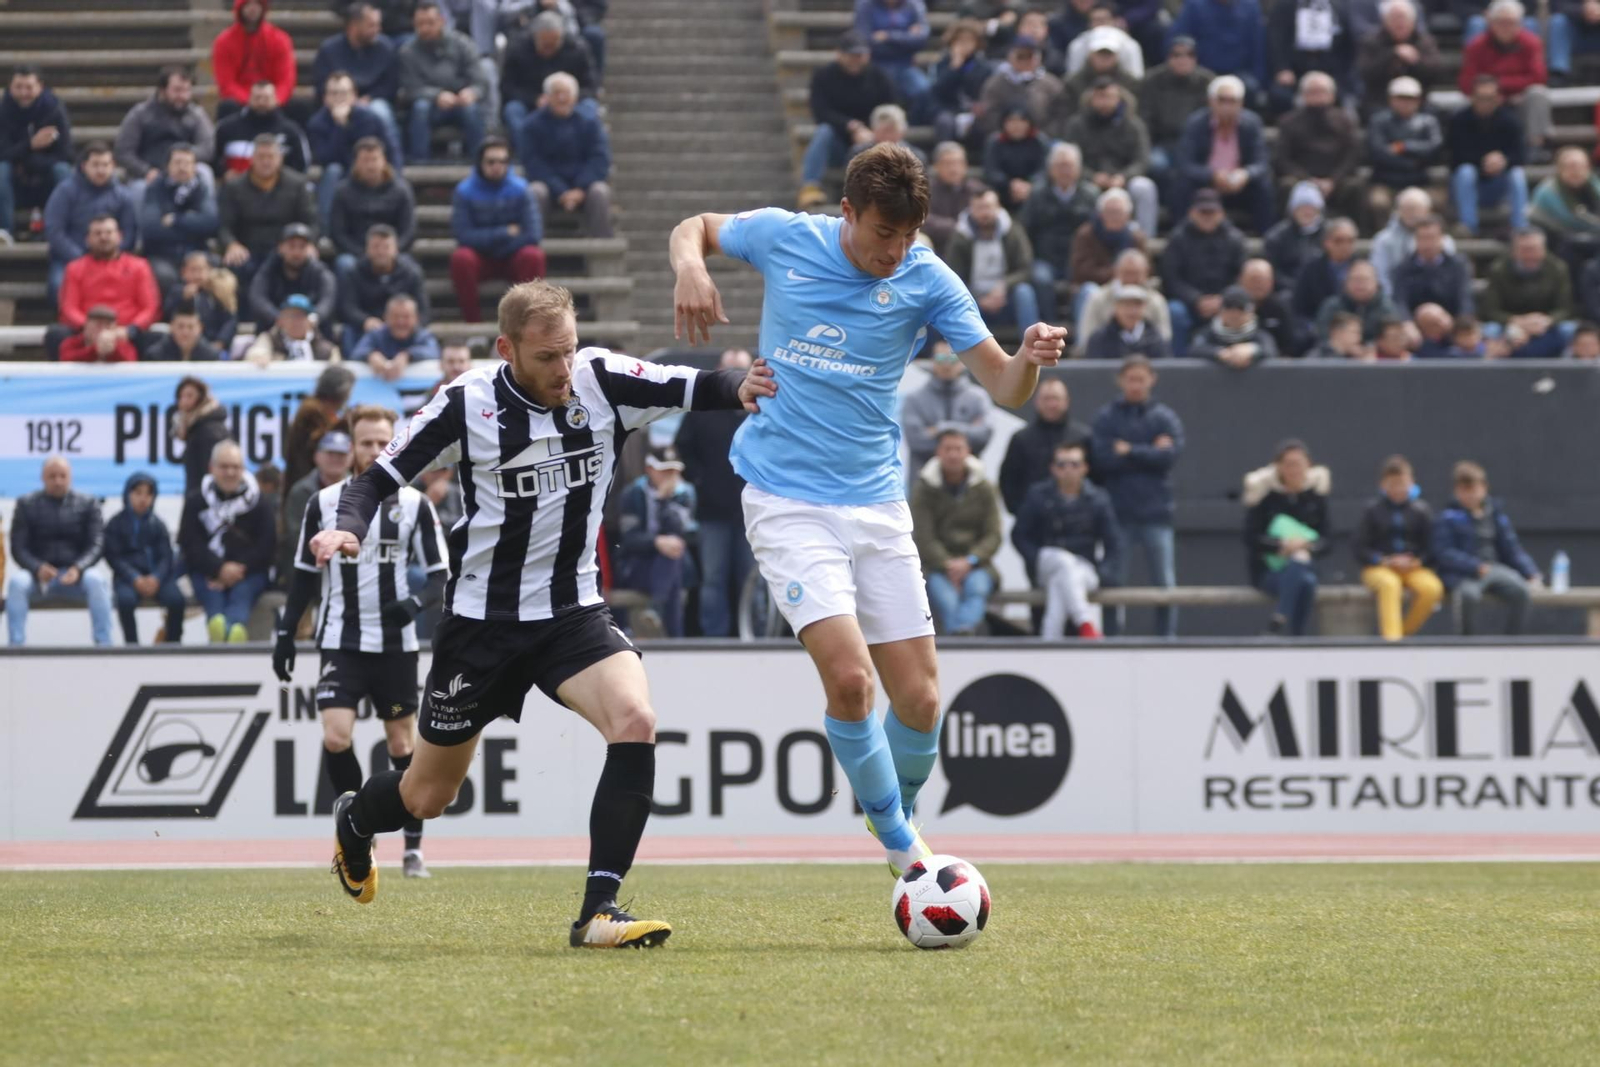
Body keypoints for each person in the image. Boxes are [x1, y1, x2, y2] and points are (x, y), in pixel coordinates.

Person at [314, 282, 772, 946]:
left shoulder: (601, 380)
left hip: (571, 614)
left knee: (635, 719)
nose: (565, 369)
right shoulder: (466, 404)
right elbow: (377, 478)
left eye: (570, 350)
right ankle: (356, 822)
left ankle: (597, 910)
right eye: (548, 356)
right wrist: (348, 527)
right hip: (480, 625)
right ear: (507, 349)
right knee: (425, 796)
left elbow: (692, 386)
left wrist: (743, 385)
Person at [669, 144, 1066, 872]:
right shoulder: (788, 236)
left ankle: (895, 812)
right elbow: (694, 226)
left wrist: (1030, 358)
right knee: (851, 682)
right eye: (884, 233)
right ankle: (906, 852)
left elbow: (1005, 387)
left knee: (919, 702)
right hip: (787, 501)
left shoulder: (926, 277)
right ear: (847, 213)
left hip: (879, 504)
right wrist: (691, 265)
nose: (896, 250)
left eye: (908, 235)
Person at [275, 406, 446, 879]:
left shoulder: (415, 505)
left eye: (382, 443)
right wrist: (286, 634)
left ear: (394, 444)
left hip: (395, 648)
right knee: (336, 735)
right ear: (351, 446)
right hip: (341, 641)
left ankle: (413, 848)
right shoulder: (324, 503)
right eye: (366, 443)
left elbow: (439, 580)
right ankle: (357, 833)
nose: (374, 451)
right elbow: (304, 578)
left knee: (400, 742)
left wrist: (411, 607)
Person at [1091, 355, 1182, 637]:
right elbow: (1103, 458)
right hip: (1119, 514)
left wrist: (1129, 450)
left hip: (1157, 514)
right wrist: (1149, 451)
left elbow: (1170, 456)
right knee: (1112, 582)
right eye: (1131, 379)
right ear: (1121, 381)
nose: (1136, 385)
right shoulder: (1106, 417)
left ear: (1151, 380)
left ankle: (1167, 642)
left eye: (1141, 379)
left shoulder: (1165, 417)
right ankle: (1111, 640)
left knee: (1165, 584)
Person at [674, 348, 756, 638]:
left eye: (742, 371)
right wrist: (700, 479)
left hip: (754, 513)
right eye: (729, 371)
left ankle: (756, 636)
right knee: (713, 580)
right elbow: (682, 447)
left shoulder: (760, 410)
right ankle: (714, 639)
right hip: (712, 511)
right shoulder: (703, 409)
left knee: (753, 581)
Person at [1010, 440, 1118, 639]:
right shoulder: (1038, 495)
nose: (1068, 470)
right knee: (1063, 562)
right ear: (1053, 468)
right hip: (1047, 561)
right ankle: (1085, 621)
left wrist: (1104, 573)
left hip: (1084, 568)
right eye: (1062, 464)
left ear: (1085, 468)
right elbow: (1019, 534)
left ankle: (1050, 640)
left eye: (1074, 464)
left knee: (1064, 578)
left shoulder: (1098, 499)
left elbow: (1113, 542)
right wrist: (1035, 560)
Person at [6, 456, 112, 646]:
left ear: (70, 477)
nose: (58, 481)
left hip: (76, 577)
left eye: (62, 476)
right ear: (43, 478)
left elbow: (97, 544)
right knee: (16, 583)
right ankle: (16, 646)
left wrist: (78, 568)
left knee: (96, 580)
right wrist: (37, 568)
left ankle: (104, 644)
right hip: (38, 578)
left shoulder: (88, 503)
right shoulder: (26, 505)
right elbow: (18, 547)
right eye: (52, 476)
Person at [180, 439, 275, 644]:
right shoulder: (196, 500)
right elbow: (189, 543)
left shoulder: (259, 502)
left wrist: (236, 569)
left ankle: (233, 629)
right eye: (224, 467)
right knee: (210, 592)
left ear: (243, 469)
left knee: (243, 593)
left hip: (249, 573)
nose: (230, 472)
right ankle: (220, 626)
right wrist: (219, 568)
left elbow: (266, 546)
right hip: (207, 571)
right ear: (211, 468)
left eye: (235, 467)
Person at [910, 428, 1002, 636]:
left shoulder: (984, 488)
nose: (953, 454)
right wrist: (948, 565)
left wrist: (970, 561)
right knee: (946, 598)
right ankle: (964, 638)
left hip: (977, 565)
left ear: (968, 452)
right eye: (947, 448)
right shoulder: (923, 489)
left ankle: (960, 636)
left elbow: (993, 534)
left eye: (958, 448)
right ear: (938, 453)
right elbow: (924, 537)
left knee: (977, 589)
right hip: (936, 567)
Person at [1432, 461, 1541, 634]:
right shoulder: (1448, 518)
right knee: (1468, 596)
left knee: (1521, 591)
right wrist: (1474, 566)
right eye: (1464, 490)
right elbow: (1443, 553)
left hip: (1493, 569)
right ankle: (1468, 645)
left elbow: (1511, 548)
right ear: (1456, 491)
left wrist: (1530, 572)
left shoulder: (1495, 516)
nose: (1470, 495)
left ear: (1484, 488)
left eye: (1473, 489)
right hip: (1463, 574)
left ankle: (1511, 644)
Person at [449, 137, 546, 323]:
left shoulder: (522, 189)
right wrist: (504, 233)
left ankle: (526, 324)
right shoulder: (464, 191)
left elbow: (533, 234)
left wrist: (497, 244)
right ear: (480, 163)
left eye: (503, 161)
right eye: (491, 161)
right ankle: (473, 324)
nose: (497, 166)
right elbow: (463, 236)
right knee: (461, 259)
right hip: (481, 259)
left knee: (533, 255)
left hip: (512, 257)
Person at [798, 31, 898, 210]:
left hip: (872, 140)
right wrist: (851, 126)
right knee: (823, 132)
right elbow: (820, 112)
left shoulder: (879, 77)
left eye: (860, 55)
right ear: (839, 54)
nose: (855, 60)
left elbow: (891, 108)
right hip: (838, 142)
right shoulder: (824, 76)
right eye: (851, 55)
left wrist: (872, 132)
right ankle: (810, 186)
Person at [1242, 438, 1329, 636]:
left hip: (1305, 566)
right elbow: (1250, 537)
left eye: (1299, 464)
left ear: (1308, 465)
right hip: (1269, 572)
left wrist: (1306, 545)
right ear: (1279, 467)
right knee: (1305, 580)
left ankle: (1281, 620)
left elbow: (1326, 541)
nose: (1294, 470)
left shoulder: (1316, 498)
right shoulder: (1264, 497)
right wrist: (1281, 546)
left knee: (1304, 573)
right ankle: (1297, 636)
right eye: (1289, 464)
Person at [614, 445, 700, 638]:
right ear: (650, 469)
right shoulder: (632, 493)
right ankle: (675, 640)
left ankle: (656, 611)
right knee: (672, 567)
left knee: (673, 559)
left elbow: (681, 533)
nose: (669, 476)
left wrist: (664, 500)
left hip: (670, 566)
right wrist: (656, 542)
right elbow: (629, 539)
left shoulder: (684, 494)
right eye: (664, 470)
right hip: (637, 566)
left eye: (673, 471)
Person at [1355, 454, 1443, 641]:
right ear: (1383, 485)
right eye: (1392, 484)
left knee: (1432, 588)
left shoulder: (1421, 510)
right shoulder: (1372, 510)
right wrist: (1383, 560)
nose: (1398, 489)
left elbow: (1432, 547)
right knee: (1389, 585)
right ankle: (1391, 641)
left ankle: (1403, 634)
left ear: (1411, 483)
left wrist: (1418, 561)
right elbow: (1359, 548)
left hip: (1413, 568)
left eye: (1402, 483)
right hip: (1379, 568)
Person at [1059, 78, 1160, 238]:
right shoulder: (1076, 125)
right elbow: (1070, 160)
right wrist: (1092, 176)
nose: (1104, 102)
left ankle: (1145, 239)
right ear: (1091, 99)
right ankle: (1087, 240)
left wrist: (1123, 177)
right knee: (1087, 192)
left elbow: (1142, 160)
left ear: (1118, 98)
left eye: (1109, 97)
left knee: (1144, 187)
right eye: (1100, 97)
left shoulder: (1134, 125)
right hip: (1088, 180)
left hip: (1124, 179)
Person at [1173, 75, 1274, 233]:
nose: (1227, 105)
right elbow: (1186, 163)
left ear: (1241, 103)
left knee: (1264, 186)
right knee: (1182, 184)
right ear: (1211, 101)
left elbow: (1261, 161)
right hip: (1207, 184)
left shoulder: (1252, 123)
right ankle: (1180, 235)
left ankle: (1265, 237)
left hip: (1240, 184)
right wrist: (1212, 175)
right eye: (1222, 100)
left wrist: (1245, 174)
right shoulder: (1196, 123)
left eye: (1232, 100)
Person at [519, 72, 613, 238]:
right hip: (548, 187)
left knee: (600, 191)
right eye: (556, 93)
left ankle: (602, 248)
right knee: (535, 191)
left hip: (584, 187)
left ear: (575, 97)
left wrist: (580, 189)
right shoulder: (531, 126)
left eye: (566, 93)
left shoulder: (591, 123)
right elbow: (533, 163)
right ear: (547, 97)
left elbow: (599, 158)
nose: (562, 98)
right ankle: (532, 246)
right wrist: (561, 191)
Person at [218, 135, 318, 288]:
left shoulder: (297, 184)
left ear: (280, 159)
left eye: (270, 157)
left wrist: (309, 243)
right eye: (261, 157)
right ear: (252, 159)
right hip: (248, 249)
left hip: (287, 249)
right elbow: (224, 225)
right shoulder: (234, 187)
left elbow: (311, 221)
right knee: (235, 264)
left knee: (308, 264)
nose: (266, 162)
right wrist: (231, 244)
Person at [54, 214, 160, 358]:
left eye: (109, 232)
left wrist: (129, 330)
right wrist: (90, 328)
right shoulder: (74, 268)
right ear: (88, 239)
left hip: (126, 331)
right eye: (97, 233)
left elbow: (150, 307)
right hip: (85, 332)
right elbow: (69, 308)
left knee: (156, 338)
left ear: (119, 236)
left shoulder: (139, 266)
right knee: (55, 334)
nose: (104, 237)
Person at [1459, 0, 1554, 160]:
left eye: (1511, 22)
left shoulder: (1531, 43)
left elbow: (1539, 77)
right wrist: (1492, 94)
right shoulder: (1476, 46)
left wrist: (1500, 85)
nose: (1506, 27)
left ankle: (1537, 146)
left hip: (1519, 98)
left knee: (1538, 94)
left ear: (1520, 24)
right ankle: (1474, 151)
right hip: (1488, 100)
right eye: (1501, 22)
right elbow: (1466, 82)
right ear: (1491, 23)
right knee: (1468, 102)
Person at [43, 141, 138, 298]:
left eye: (105, 164)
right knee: (58, 286)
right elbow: (54, 231)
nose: (101, 170)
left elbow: (129, 233)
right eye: (95, 165)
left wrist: (112, 255)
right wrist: (80, 258)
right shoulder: (65, 191)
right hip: (71, 258)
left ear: (113, 166)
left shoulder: (123, 196)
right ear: (84, 166)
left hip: (113, 259)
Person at [1021, 142, 1099, 324]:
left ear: (1079, 169)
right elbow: (1025, 229)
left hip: (1079, 258)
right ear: (1050, 169)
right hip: (1045, 258)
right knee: (1041, 278)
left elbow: (1096, 232)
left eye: (1069, 166)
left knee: (1084, 279)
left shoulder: (1091, 195)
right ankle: (1049, 325)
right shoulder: (1037, 194)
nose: (1065, 171)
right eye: (1060, 166)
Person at [399, 2, 488, 162]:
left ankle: (479, 160)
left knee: (472, 109)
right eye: (420, 24)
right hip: (431, 106)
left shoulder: (463, 43)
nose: (425, 28)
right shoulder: (408, 52)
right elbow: (410, 88)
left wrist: (472, 92)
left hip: (460, 102)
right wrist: (436, 95)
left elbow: (480, 80)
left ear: (442, 21)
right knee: (420, 108)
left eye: (430, 23)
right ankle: (420, 161)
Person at [1161, 188, 1246, 356]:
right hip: (1189, 303)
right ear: (1192, 213)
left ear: (1221, 213)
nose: (1207, 216)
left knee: (1242, 308)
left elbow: (1241, 277)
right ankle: (1179, 363)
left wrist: (1223, 299)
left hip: (1226, 303)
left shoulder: (1235, 239)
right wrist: (1196, 299)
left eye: (1212, 212)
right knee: (1175, 311)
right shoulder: (1178, 239)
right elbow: (1171, 279)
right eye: (1203, 211)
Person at [113, 67, 215, 208]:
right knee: (138, 190)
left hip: (187, 172)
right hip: (149, 174)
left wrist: (183, 163)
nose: (183, 96)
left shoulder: (196, 114)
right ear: (162, 90)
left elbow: (207, 147)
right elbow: (123, 151)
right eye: (177, 90)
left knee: (206, 173)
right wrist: (145, 171)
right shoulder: (140, 114)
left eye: (187, 90)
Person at [103, 472, 185, 645]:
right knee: (125, 601)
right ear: (128, 494)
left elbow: (166, 556)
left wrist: (156, 578)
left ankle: (173, 644)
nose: (143, 499)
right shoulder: (115, 524)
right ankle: (132, 646)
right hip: (128, 579)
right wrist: (135, 578)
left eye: (148, 494)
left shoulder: (158, 524)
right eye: (138, 493)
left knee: (177, 601)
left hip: (158, 578)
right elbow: (114, 557)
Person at [311, 74, 404, 225]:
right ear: (325, 98)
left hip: (372, 172)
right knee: (332, 170)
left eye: (344, 93)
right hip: (343, 177)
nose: (339, 98)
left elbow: (392, 151)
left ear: (354, 96)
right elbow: (326, 158)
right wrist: (340, 127)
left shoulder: (371, 119)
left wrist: (396, 176)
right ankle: (326, 228)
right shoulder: (317, 123)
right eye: (334, 93)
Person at [946, 189, 1040, 334]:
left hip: (1005, 297)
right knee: (956, 300)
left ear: (998, 208)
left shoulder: (1013, 231)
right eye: (979, 208)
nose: (984, 213)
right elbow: (953, 277)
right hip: (973, 300)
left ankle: (1033, 345)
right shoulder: (960, 237)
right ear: (971, 210)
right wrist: (978, 297)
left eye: (988, 207)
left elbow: (1025, 268)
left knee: (1024, 292)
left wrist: (1004, 285)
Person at [1273, 72, 1362, 220]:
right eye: (1312, 92)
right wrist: (1307, 180)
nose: (1318, 97)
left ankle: (1356, 233)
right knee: (1286, 185)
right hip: (1301, 179)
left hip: (1336, 181)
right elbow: (1282, 159)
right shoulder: (1288, 122)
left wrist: (1333, 180)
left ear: (1332, 95)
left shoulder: (1345, 121)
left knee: (1356, 186)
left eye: (1322, 92)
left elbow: (1352, 155)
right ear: (1302, 95)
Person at [312, 3, 401, 148]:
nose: (377, 30)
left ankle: (389, 159)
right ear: (354, 26)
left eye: (378, 25)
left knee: (381, 111)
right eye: (371, 25)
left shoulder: (385, 47)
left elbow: (390, 84)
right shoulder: (329, 50)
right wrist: (344, 100)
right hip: (337, 100)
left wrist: (369, 97)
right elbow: (321, 84)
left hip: (372, 100)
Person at [0, 65, 73, 245]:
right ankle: (4, 231)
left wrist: (27, 157)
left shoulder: (55, 110)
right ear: (10, 87)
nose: (24, 93)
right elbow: (2, 153)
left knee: (63, 171)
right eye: (18, 87)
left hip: (45, 173)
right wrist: (31, 144)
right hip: (14, 178)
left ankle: (61, 229)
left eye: (29, 87)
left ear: (40, 86)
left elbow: (65, 153)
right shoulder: (3, 111)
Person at [1449, 75, 1530, 236]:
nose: (1485, 103)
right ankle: (1468, 226)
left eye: (1490, 98)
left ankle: (1520, 227)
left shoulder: (1511, 121)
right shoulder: (1459, 121)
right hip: (1470, 184)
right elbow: (1453, 157)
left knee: (1517, 174)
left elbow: (1521, 155)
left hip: (1499, 185)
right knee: (1465, 172)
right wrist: (1484, 162)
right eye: (1481, 98)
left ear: (1499, 98)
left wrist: (1503, 161)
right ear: (1472, 97)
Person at [900, 342, 995, 474]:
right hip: (925, 486)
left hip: (970, 485)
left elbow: (984, 435)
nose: (947, 364)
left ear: (963, 361)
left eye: (953, 359)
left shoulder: (978, 397)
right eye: (941, 359)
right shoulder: (914, 399)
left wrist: (940, 428)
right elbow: (917, 442)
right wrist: (965, 436)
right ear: (932, 360)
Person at [998, 377, 1089, 514]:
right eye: (1046, 399)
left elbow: (1095, 479)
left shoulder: (1082, 437)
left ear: (1066, 402)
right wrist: (1021, 512)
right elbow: (1008, 480)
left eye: (1056, 399)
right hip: (1033, 519)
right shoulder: (1021, 439)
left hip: (1077, 518)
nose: (1052, 404)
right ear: (1037, 402)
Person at [1480, 228, 1575, 359]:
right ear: (1514, 251)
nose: (1530, 255)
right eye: (1525, 249)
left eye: (1534, 249)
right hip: (1510, 322)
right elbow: (1490, 310)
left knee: (1571, 330)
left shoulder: (1558, 268)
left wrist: (1547, 321)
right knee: (1490, 330)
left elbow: (1565, 308)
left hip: (1546, 323)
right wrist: (1517, 321)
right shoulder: (1498, 270)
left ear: (1543, 249)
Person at [327, 137, 416, 274]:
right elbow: (338, 233)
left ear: (384, 161)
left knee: (409, 266)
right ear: (356, 163)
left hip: (392, 253)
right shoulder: (343, 192)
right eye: (365, 161)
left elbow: (409, 230)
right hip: (356, 253)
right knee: (345, 264)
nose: (370, 166)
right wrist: (364, 254)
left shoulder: (401, 191)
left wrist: (389, 252)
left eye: (374, 160)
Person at [140, 144, 220, 294]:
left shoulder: (201, 188)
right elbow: (151, 228)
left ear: (195, 166)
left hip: (197, 253)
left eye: (187, 163)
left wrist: (177, 220)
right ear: (167, 166)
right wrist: (193, 225)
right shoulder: (156, 188)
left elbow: (211, 223)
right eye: (177, 163)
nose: (182, 167)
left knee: (218, 271)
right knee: (166, 276)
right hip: (163, 254)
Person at [336, 223, 428, 353]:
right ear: (367, 249)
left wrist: (407, 323)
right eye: (376, 247)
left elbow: (424, 311)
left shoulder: (411, 273)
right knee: (348, 331)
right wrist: (365, 320)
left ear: (396, 248)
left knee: (423, 334)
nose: (381, 252)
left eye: (386, 247)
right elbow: (347, 307)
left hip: (403, 326)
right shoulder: (354, 272)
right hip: (368, 327)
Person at [278, 428, 353, 589]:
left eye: (341, 454)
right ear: (317, 456)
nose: (335, 459)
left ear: (350, 458)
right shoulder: (301, 491)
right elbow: (295, 534)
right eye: (330, 453)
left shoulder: (360, 491)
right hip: (309, 562)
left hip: (351, 562)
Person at [1367, 76, 1443, 224]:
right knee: (1378, 202)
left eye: (1410, 98)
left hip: (1420, 182)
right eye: (1401, 98)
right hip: (1386, 181)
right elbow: (1378, 152)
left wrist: (1404, 146)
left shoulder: (1428, 122)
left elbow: (1434, 148)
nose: (1406, 103)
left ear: (1419, 100)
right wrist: (1413, 161)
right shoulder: (1379, 121)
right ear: (1391, 99)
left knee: (1437, 202)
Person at [1140, 36, 1213, 184]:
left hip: (1197, 144)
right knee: (1156, 165)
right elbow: (1145, 118)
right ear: (1168, 57)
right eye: (1176, 55)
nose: (1182, 59)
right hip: (1163, 142)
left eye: (1189, 55)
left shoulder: (1207, 82)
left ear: (1196, 59)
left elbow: (1211, 118)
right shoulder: (1152, 80)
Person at [1069, 188, 1146, 327]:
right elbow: (1080, 271)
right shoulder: (1085, 235)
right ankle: (1084, 344)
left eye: (1118, 212)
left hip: (1128, 288)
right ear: (1100, 214)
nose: (1114, 216)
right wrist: (1117, 274)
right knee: (1089, 291)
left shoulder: (1136, 238)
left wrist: (1125, 278)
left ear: (1127, 215)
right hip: (1096, 288)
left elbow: (1146, 269)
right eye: (1110, 212)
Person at [1075, 248, 1172, 355]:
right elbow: (1087, 341)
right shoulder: (1098, 299)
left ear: (1146, 273)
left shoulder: (1157, 302)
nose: (1130, 278)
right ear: (1116, 272)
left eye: (1135, 273)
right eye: (1126, 273)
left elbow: (1165, 340)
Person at [212, 0, 298, 119]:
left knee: (299, 107)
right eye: (248, 4)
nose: (252, 8)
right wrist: (251, 100)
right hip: (240, 102)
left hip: (273, 100)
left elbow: (286, 80)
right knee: (227, 107)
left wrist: (273, 100)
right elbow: (226, 84)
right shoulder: (223, 42)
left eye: (257, 4)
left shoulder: (280, 40)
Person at [1267, 0, 1353, 115]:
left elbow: (1347, 45)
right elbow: (1276, 39)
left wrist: (1340, 75)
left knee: (1344, 96)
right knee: (1280, 96)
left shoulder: (1338, 6)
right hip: (1295, 71)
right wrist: (1283, 68)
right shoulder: (1285, 5)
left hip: (1330, 71)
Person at [247, 223, 337, 333]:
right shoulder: (269, 270)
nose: (296, 252)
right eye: (291, 246)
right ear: (280, 247)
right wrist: (278, 317)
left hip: (312, 332)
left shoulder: (319, 271)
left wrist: (314, 318)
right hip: (275, 332)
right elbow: (257, 297)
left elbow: (328, 299)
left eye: (302, 247)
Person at [975, 33, 1065, 143]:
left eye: (1030, 56)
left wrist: (1043, 133)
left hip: (1045, 136)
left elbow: (1061, 112)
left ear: (1038, 58)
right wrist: (1010, 131)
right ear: (1010, 57)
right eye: (1020, 56)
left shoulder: (1051, 83)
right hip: (1005, 138)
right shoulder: (995, 84)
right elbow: (990, 112)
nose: (1025, 61)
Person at [1357, 0, 1441, 116]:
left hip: (1418, 101)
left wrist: (1415, 61)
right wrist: (1392, 54)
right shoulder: (1371, 42)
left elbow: (1435, 73)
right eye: (1394, 18)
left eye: (1403, 18)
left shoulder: (1425, 42)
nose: (1399, 23)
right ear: (1385, 21)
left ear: (1413, 21)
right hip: (1381, 100)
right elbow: (1365, 73)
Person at [213, 80, 311, 176]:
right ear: (249, 99)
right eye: (257, 98)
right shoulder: (226, 128)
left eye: (266, 98)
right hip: (236, 189)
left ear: (275, 100)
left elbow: (302, 164)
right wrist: (224, 174)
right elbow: (213, 158)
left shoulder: (291, 130)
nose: (261, 102)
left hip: (282, 190)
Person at [1167, 0, 1268, 91]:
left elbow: (1258, 46)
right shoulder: (1195, 5)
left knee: (1251, 87)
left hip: (1239, 72)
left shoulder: (1250, 6)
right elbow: (1178, 39)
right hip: (1203, 70)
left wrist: (1258, 77)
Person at [1291, 217, 1360, 351]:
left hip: (1355, 333)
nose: (1345, 246)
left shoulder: (1362, 269)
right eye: (1339, 240)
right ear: (1327, 242)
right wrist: (1316, 330)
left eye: (1350, 241)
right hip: (1317, 333)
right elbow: (1299, 309)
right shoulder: (1311, 269)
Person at [1370, 186, 1454, 297]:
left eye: (1416, 209)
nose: (1412, 214)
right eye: (1408, 209)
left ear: (1428, 210)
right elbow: (1379, 275)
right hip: (1394, 299)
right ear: (1398, 210)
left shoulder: (1445, 241)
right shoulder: (1382, 240)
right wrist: (1393, 300)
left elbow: (1449, 273)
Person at [1392, 214, 1474, 319]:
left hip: (1451, 324)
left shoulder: (1458, 265)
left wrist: (1457, 324)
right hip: (1414, 326)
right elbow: (1399, 302)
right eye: (1422, 238)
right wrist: (1407, 323)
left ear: (1442, 238)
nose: (1427, 244)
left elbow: (1464, 299)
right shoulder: (1402, 268)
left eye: (1431, 238)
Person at [1530, 146, 1600, 266]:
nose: (1576, 171)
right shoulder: (1547, 192)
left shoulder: (1595, 187)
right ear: (1560, 169)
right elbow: (1573, 220)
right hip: (1556, 243)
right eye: (1571, 166)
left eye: (1581, 166)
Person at [928, 18, 993, 145]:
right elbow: (937, 91)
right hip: (948, 109)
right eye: (960, 40)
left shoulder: (983, 66)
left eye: (969, 40)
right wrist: (954, 67)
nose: (964, 45)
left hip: (974, 111)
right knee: (944, 122)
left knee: (986, 124)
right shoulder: (942, 64)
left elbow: (983, 92)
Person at [353, 294, 440, 380]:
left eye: (406, 317)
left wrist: (407, 355)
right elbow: (357, 352)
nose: (400, 322)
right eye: (395, 316)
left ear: (416, 318)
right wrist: (371, 355)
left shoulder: (423, 335)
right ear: (386, 317)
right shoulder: (376, 334)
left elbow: (434, 351)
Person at [164, 252, 239, 349]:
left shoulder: (217, 291)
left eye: (202, 269)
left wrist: (221, 341)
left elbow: (230, 320)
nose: (197, 275)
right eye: (193, 270)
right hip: (180, 344)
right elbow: (167, 314)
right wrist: (183, 299)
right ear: (183, 272)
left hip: (212, 343)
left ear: (210, 270)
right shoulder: (177, 292)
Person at [1315, 258, 1401, 343]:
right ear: (1346, 282)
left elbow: (1393, 340)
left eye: (1365, 280)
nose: (1360, 284)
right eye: (1355, 279)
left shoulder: (1387, 309)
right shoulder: (1331, 307)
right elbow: (1322, 337)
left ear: (1376, 283)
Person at [1189, 285, 1278, 367]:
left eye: (1240, 309)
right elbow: (1194, 349)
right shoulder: (1208, 332)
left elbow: (1270, 350)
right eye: (1229, 308)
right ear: (1221, 310)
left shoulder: (1259, 334)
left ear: (1251, 312)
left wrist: (1252, 350)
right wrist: (1220, 353)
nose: (1235, 314)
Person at [246, 294, 342, 364]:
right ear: (280, 321)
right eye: (290, 316)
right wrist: (259, 357)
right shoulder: (269, 339)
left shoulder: (326, 349)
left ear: (311, 322)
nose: (295, 321)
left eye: (300, 316)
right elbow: (256, 352)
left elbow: (336, 371)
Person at [1086, 282, 1172, 360]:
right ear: (1116, 307)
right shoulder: (1100, 338)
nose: (1131, 311)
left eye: (1137, 305)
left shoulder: (1155, 338)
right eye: (1126, 305)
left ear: (1144, 308)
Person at [925, 141, 983, 257]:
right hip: (936, 247)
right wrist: (957, 227)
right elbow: (922, 220)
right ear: (936, 166)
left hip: (971, 247)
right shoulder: (925, 190)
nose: (954, 168)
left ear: (966, 166)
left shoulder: (977, 190)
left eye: (958, 163)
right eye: (948, 163)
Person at [1238, 258, 1295, 357]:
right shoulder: (1232, 305)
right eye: (1254, 279)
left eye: (1263, 280)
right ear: (1241, 280)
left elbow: (1290, 346)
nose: (1258, 284)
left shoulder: (1280, 308)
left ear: (1271, 282)